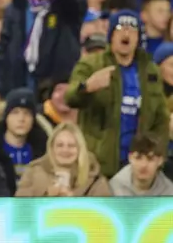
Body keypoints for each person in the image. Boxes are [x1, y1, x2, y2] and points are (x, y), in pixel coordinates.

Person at [66, 10, 169, 177]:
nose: (126, 33)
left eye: (132, 29)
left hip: (138, 164)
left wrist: (157, 155)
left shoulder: (150, 70)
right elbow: (69, 97)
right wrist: (87, 86)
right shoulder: (91, 64)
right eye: (120, 27)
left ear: (138, 38)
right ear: (111, 36)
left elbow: (161, 118)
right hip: (99, 164)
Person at [15, 122, 111, 197]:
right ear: (51, 148)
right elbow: (20, 212)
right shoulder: (33, 173)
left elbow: (103, 217)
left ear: (80, 149)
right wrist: (46, 197)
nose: (65, 150)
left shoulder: (95, 179)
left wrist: (72, 203)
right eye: (60, 145)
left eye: (71, 146)